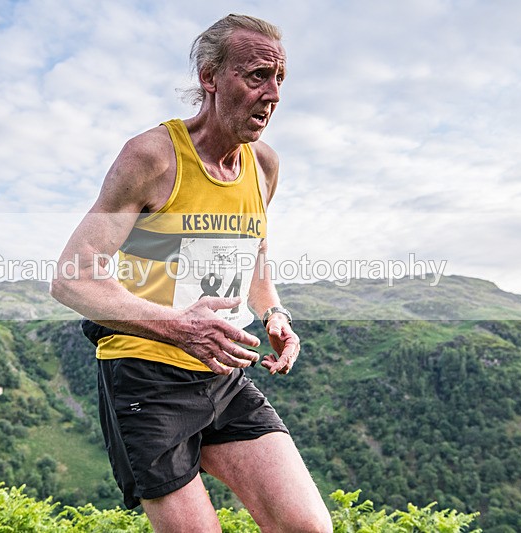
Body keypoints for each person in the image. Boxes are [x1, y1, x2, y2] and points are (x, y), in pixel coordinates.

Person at [51, 14, 332, 533]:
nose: (272, 94)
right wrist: (179, 325)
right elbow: (72, 277)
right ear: (210, 77)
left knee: (308, 527)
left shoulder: (263, 166)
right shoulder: (153, 157)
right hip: (145, 375)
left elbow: (253, 256)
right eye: (255, 76)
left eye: (279, 79)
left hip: (223, 374)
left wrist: (273, 312)